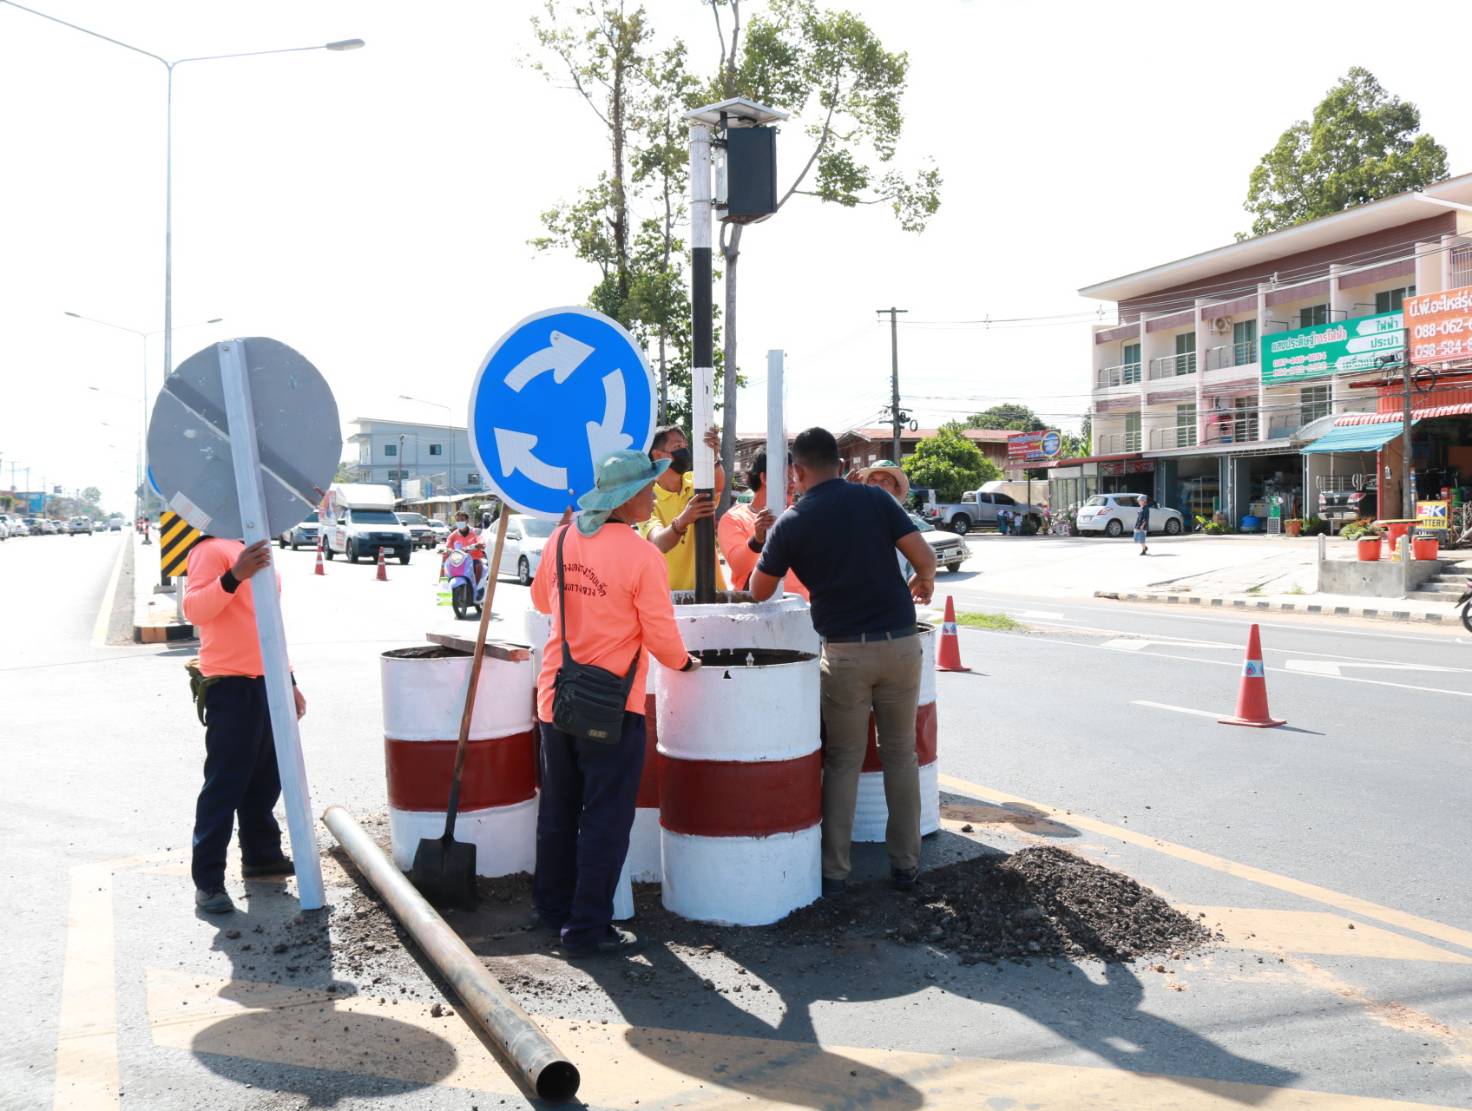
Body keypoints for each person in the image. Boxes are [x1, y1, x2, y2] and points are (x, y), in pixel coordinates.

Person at [749, 427, 937, 894]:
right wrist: (926, 579)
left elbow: (759, 591)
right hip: (901, 644)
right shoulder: (875, 499)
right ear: (839, 463)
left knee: (844, 760)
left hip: (845, 652)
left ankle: (835, 871)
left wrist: (763, 542)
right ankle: (906, 865)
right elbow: (924, 556)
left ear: (797, 471)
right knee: (901, 755)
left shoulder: (793, 521)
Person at [529, 450, 701, 957]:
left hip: (554, 698)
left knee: (558, 811)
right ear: (626, 499)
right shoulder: (642, 555)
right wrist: (685, 663)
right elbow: (661, 636)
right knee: (604, 820)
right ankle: (586, 930)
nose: (653, 494)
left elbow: (541, 601)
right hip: (611, 707)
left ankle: (552, 909)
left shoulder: (561, 539)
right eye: (647, 488)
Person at [183, 537, 306, 914]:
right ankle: (208, 882)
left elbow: (269, 624)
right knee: (225, 785)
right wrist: (234, 575)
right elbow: (194, 610)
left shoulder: (254, 543)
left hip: (269, 680)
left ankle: (261, 856)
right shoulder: (210, 549)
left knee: (267, 779)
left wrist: (289, 680)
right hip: (231, 685)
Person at [641, 424, 728, 592]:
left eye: (685, 445)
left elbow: (718, 486)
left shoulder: (698, 481)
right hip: (673, 598)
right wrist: (683, 520)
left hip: (713, 592)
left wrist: (714, 457)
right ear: (657, 455)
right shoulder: (647, 499)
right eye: (677, 446)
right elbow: (658, 543)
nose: (684, 451)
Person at [717, 449, 809, 599]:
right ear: (765, 478)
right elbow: (740, 567)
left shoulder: (799, 515)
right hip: (756, 608)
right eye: (788, 478)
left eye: (795, 478)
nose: (793, 484)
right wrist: (757, 540)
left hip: (801, 607)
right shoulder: (734, 519)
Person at [852, 459, 916, 580]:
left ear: (896, 489)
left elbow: (915, 569)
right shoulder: (855, 518)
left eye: (885, 481)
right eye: (873, 480)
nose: (877, 486)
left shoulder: (905, 524)